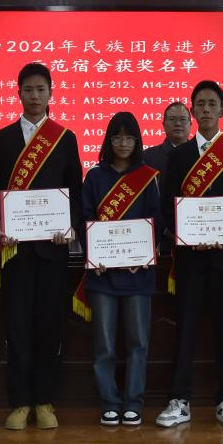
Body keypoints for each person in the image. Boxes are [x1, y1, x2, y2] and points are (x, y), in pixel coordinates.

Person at [0, 62, 84, 430]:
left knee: (49, 326)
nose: (34, 96)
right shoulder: (2, 139)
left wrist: (70, 228)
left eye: (40, 89)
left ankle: (45, 401)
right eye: (28, 89)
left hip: (51, 250)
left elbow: (75, 192)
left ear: (50, 93)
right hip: (16, 252)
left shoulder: (65, 138)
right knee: (17, 327)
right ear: (18, 93)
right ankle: (19, 402)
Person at [156, 80, 223, 429]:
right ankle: (179, 399)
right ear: (193, 111)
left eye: (213, 103)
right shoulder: (180, 156)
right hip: (190, 258)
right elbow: (167, 205)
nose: (207, 109)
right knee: (185, 328)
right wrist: (186, 234)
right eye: (201, 104)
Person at [77, 111, 161, 426]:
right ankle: (110, 402)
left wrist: (144, 254)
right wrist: (94, 254)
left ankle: (133, 402)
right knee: (105, 345)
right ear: (108, 141)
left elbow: (157, 219)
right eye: (117, 137)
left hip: (138, 273)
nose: (123, 143)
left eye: (129, 137)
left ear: (137, 141)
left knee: (138, 343)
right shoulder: (95, 177)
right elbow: (84, 219)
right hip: (103, 274)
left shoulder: (148, 177)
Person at [143, 101, 193, 175]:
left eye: (183, 119)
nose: (178, 123)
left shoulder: (200, 155)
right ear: (164, 125)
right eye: (172, 119)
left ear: (190, 124)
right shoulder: (147, 157)